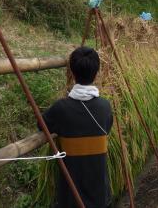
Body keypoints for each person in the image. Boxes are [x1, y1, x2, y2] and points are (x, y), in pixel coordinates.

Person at [40, 47, 113, 208]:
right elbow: (107, 128)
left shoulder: (61, 108)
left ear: (72, 73)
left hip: (71, 197)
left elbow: (41, 125)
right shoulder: (105, 107)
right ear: (96, 73)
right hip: (99, 194)